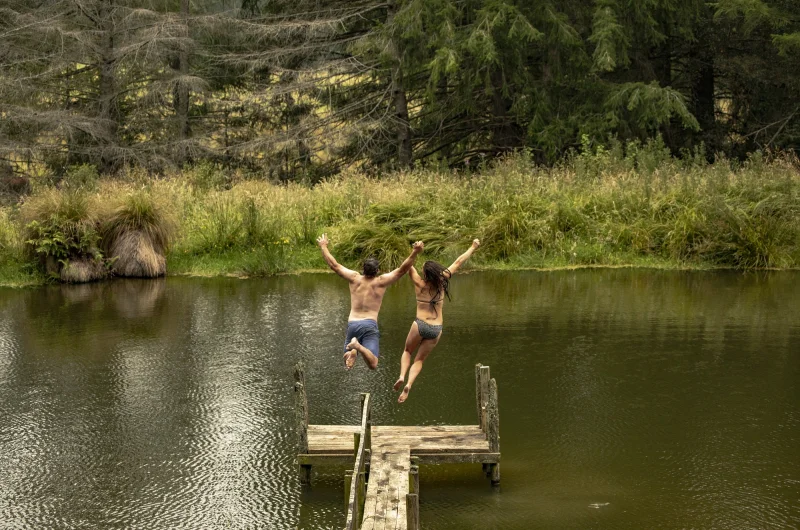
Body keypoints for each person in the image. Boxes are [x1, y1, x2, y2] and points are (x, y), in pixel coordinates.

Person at [317, 233, 424, 370]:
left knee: (347, 359)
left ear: (363, 269)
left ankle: (353, 351)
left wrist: (323, 246)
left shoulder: (354, 278)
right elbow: (402, 270)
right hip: (369, 324)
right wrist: (415, 252)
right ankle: (358, 347)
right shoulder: (380, 282)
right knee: (373, 364)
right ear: (377, 270)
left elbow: (334, 265)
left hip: (352, 324)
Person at [394, 239, 481, 402]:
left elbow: (407, 266)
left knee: (407, 351)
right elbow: (458, 261)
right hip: (436, 328)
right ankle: (409, 384)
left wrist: (415, 251)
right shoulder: (443, 281)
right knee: (419, 360)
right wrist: (473, 247)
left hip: (420, 324)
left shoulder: (419, 283)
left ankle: (401, 376)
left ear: (425, 274)